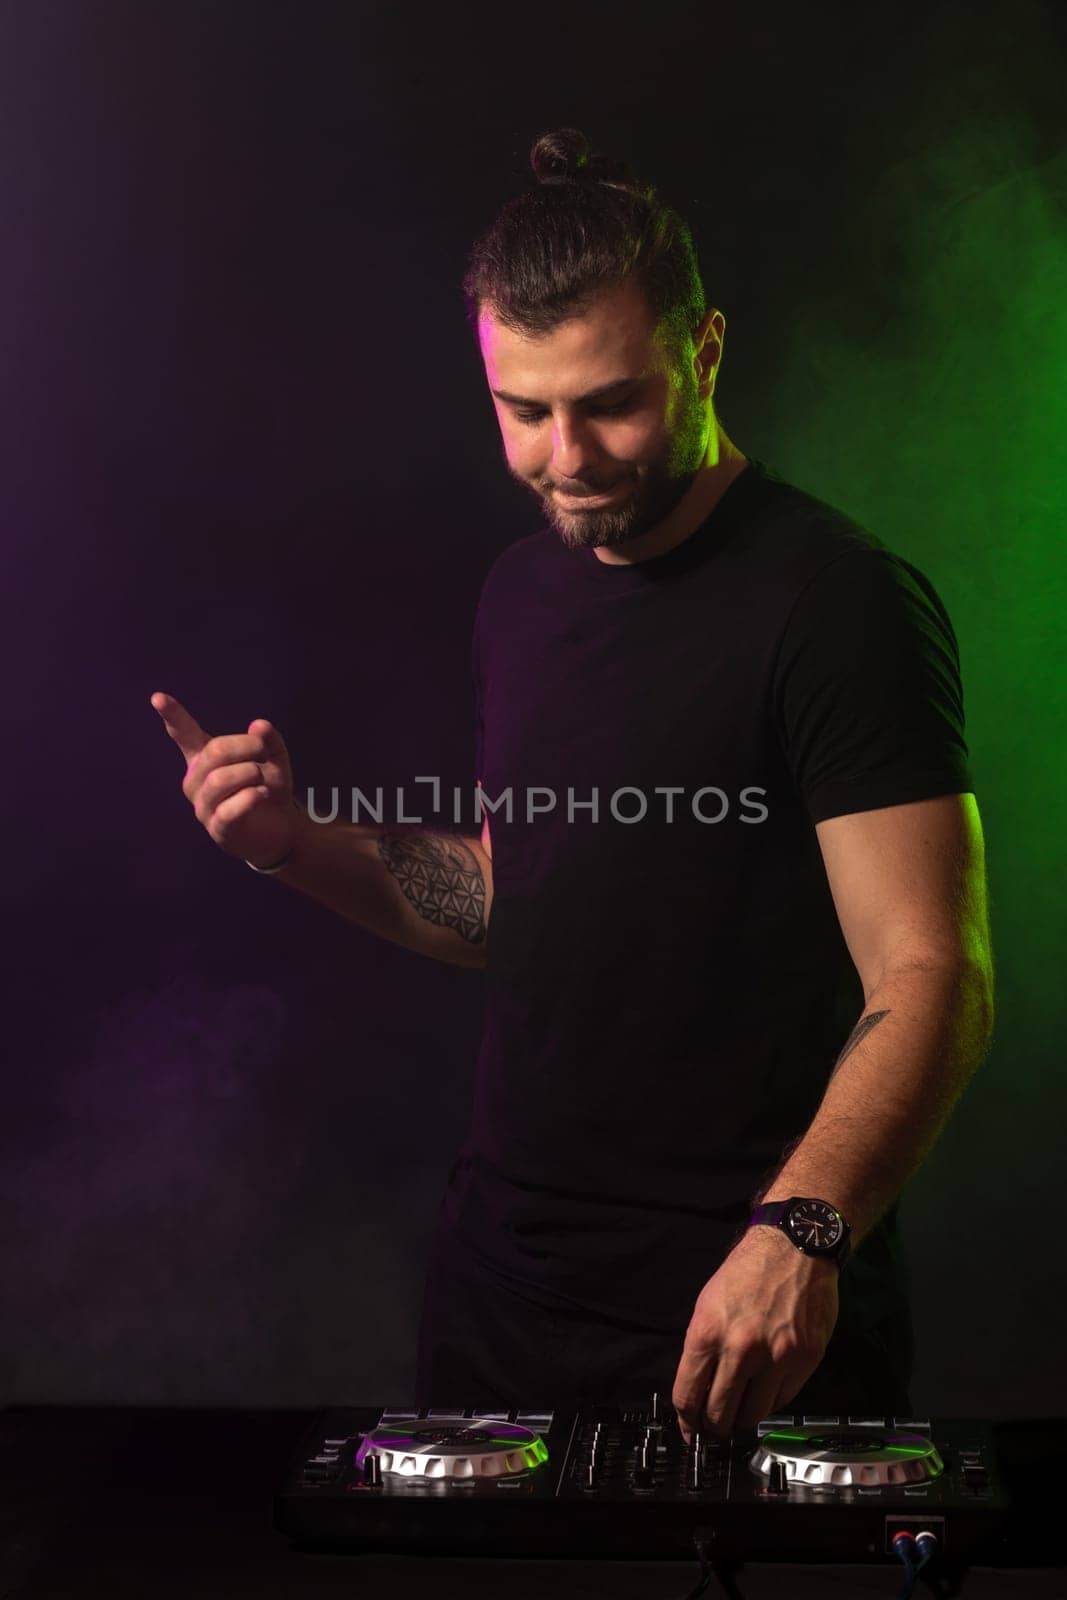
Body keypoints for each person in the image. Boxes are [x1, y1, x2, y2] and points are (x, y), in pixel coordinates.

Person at [152, 128, 993, 1441]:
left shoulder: (838, 605)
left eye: (609, 402)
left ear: (703, 351)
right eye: (523, 411)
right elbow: (510, 903)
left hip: (743, 1299)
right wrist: (290, 843)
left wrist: (804, 1234)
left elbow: (935, 976)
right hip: (505, 1290)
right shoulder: (521, 593)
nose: (567, 457)